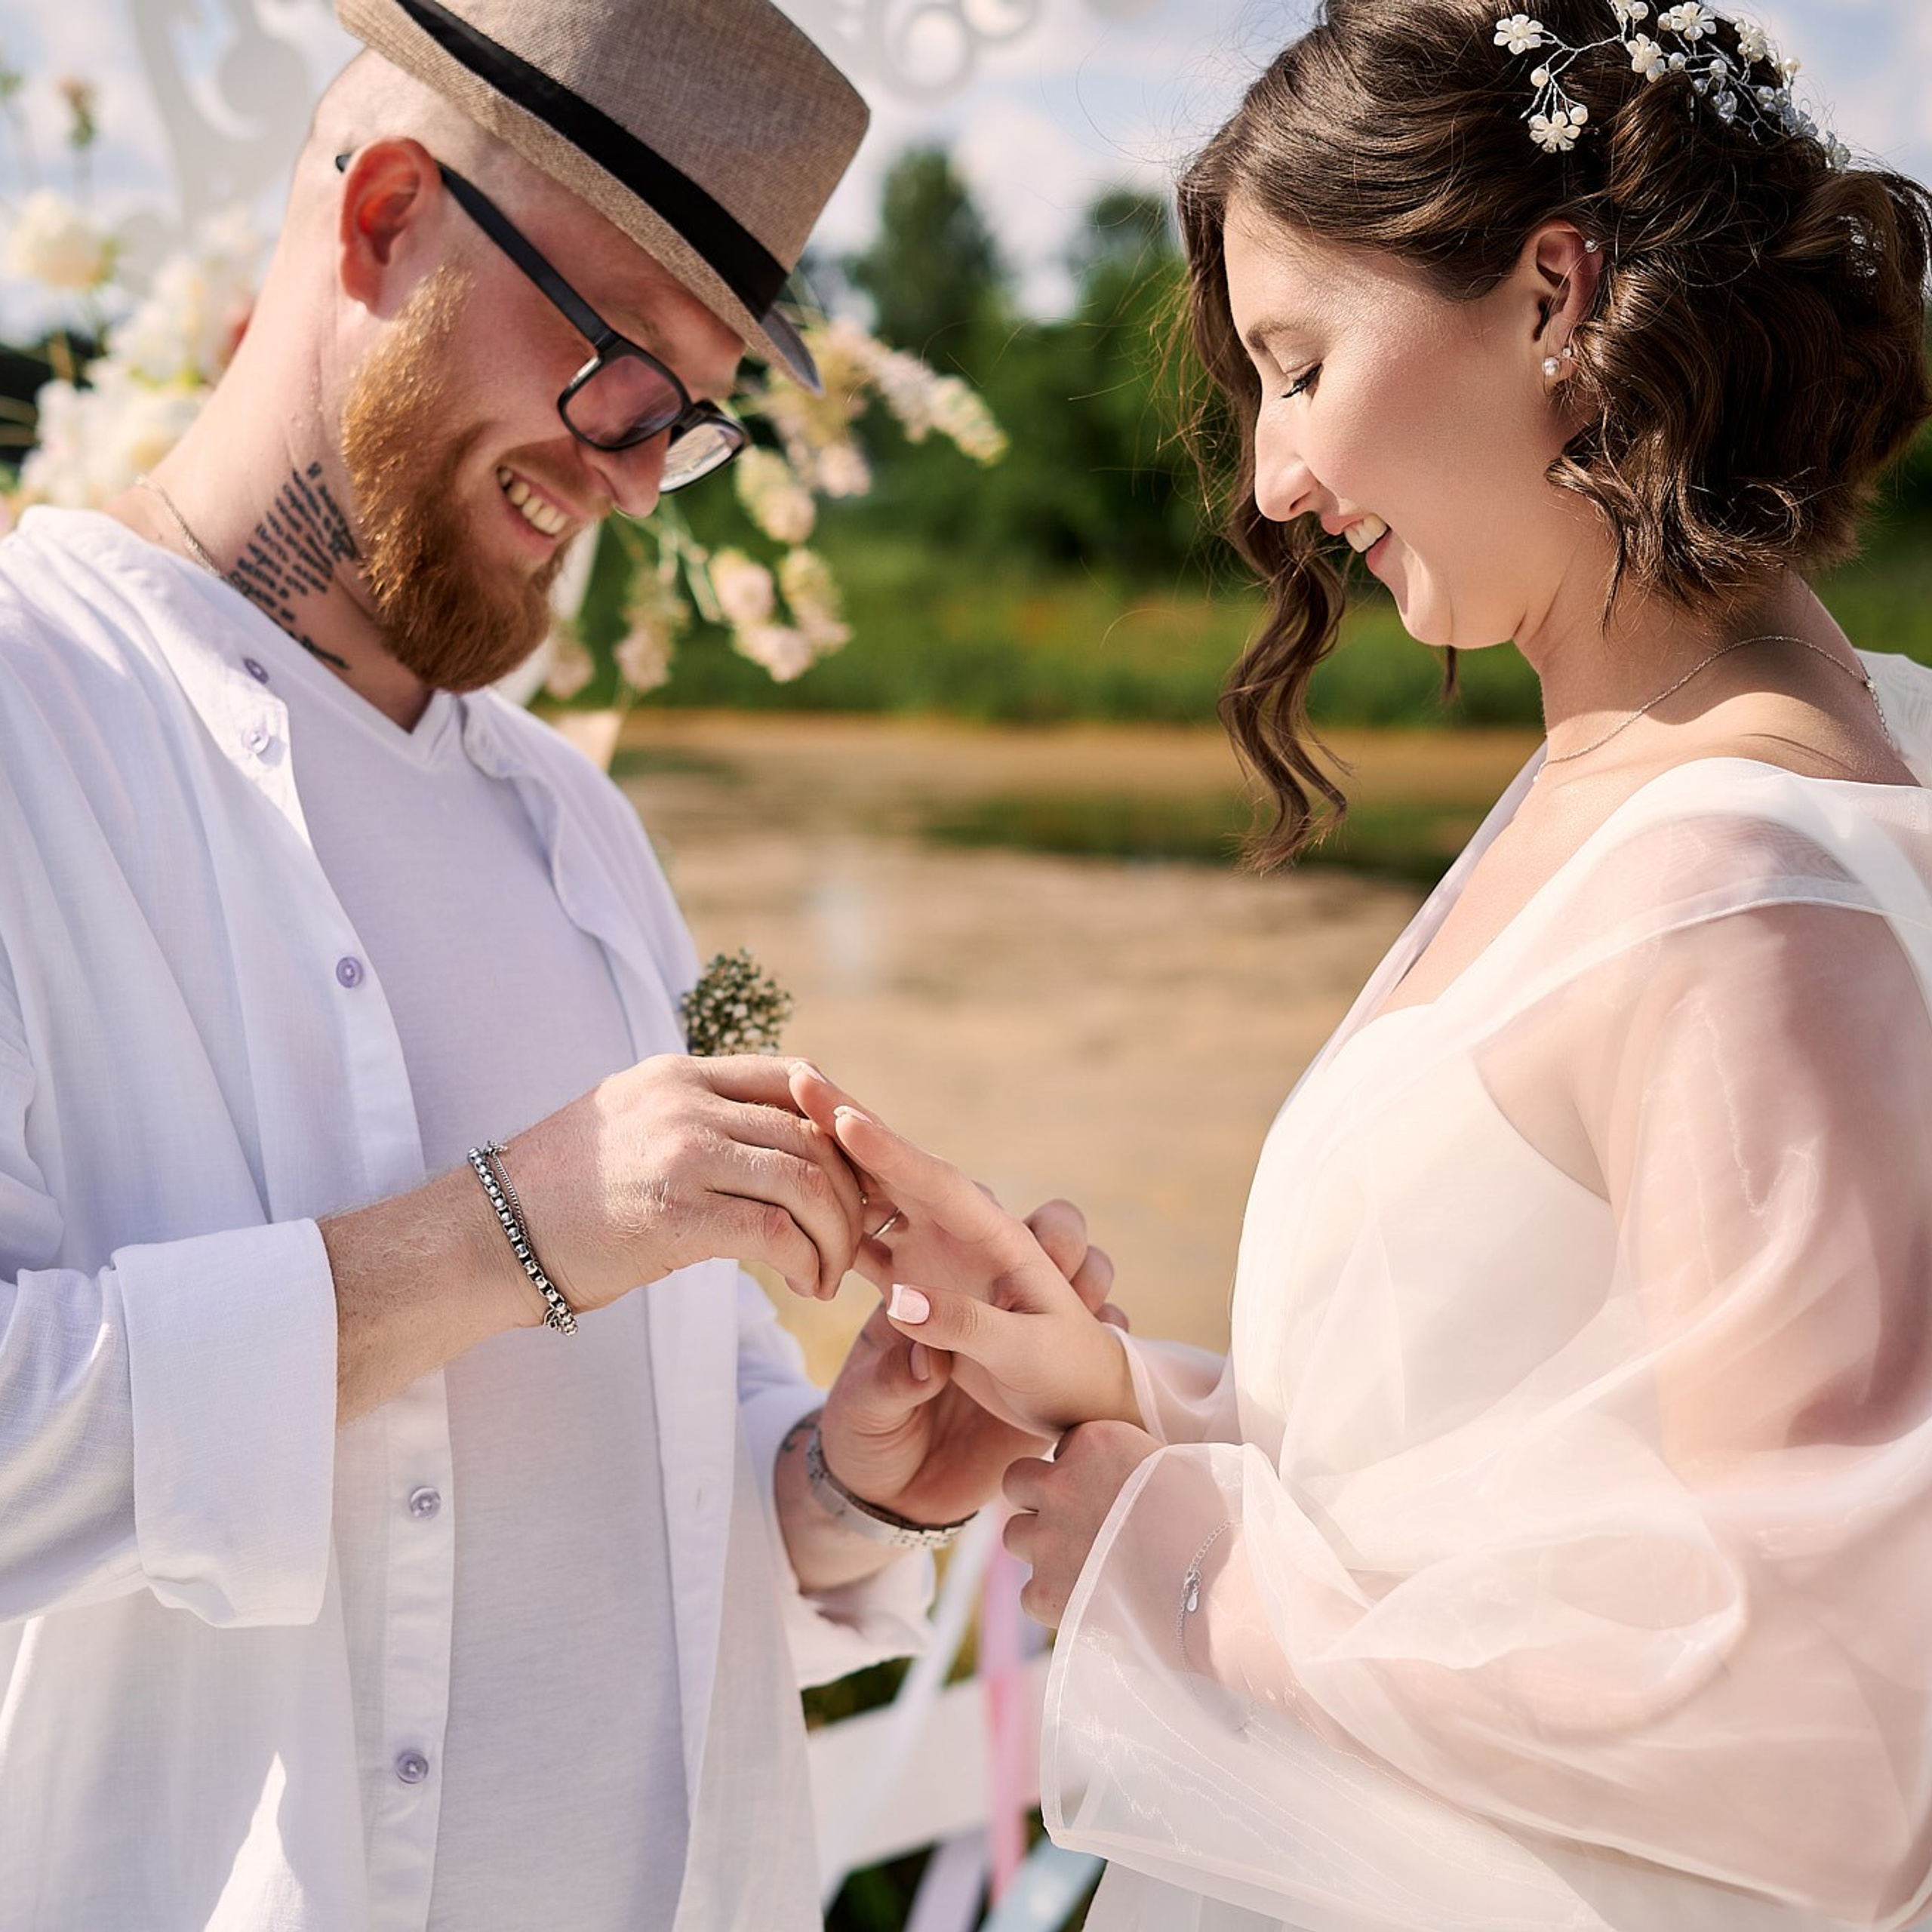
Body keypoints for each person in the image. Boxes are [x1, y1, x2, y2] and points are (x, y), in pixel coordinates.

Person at [789, 2, 1932, 1926]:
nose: (1276, 479)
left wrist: (1181, 1561)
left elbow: (1834, 1715)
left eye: (1299, 363)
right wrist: (1125, 1396)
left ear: (1553, 291)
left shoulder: (1738, 885)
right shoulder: (1629, 776)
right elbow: (1537, 1475)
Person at [0, 2, 1116, 1926]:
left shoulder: (571, 822)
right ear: (382, 221)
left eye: (684, 419)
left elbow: (622, 1503)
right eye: (616, 369)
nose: (626, 472)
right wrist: (507, 1228)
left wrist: (846, 1477)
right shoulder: (35, 718)